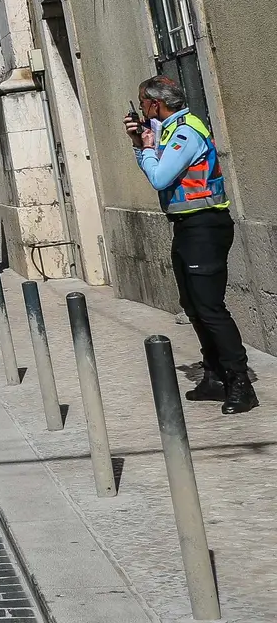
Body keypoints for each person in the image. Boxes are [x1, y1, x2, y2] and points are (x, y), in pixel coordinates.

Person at [128, 76, 256, 414]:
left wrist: (142, 150)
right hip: (186, 226)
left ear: (157, 103)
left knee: (210, 307)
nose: (141, 107)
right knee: (193, 305)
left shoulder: (186, 131)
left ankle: (240, 383)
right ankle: (213, 375)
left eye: (143, 101)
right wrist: (143, 142)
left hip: (205, 226)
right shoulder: (168, 130)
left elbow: (159, 177)